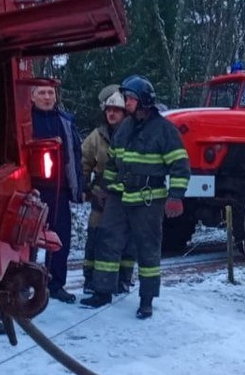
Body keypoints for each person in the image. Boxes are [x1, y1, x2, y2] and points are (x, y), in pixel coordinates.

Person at [80, 75, 190, 319]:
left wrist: (176, 197)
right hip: (120, 198)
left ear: (143, 101)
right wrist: (105, 189)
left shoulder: (165, 131)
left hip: (148, 200)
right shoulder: (125, 128)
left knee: (148, 249)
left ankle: (147, 300)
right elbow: (112, 163)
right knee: (108, 241)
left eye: (129, 98)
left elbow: (180, 167)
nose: (125, 102)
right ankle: (102, 292)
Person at [28, 78, 84, 303]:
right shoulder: (26, 121)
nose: (47, 97)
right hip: (33, 193)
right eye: (42, 93)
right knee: (28, 240)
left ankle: (56, 283)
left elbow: (76, 156)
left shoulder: (66, 122)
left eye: (50, 93)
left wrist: (78, 187)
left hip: (59, 191)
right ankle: (26, 284)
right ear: (32, 96)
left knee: (60, 240)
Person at [81, 88, 134, 294]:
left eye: (117, 111)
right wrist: (87, 188)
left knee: (126, 240)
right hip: (101, 196)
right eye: (109, 110)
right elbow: (84, 163)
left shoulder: (133, 134)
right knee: (95, 236)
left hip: (126, 195)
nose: (111, 114)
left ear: (125, 113)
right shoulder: (96, 137)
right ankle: (90, 280)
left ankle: (123, 280)